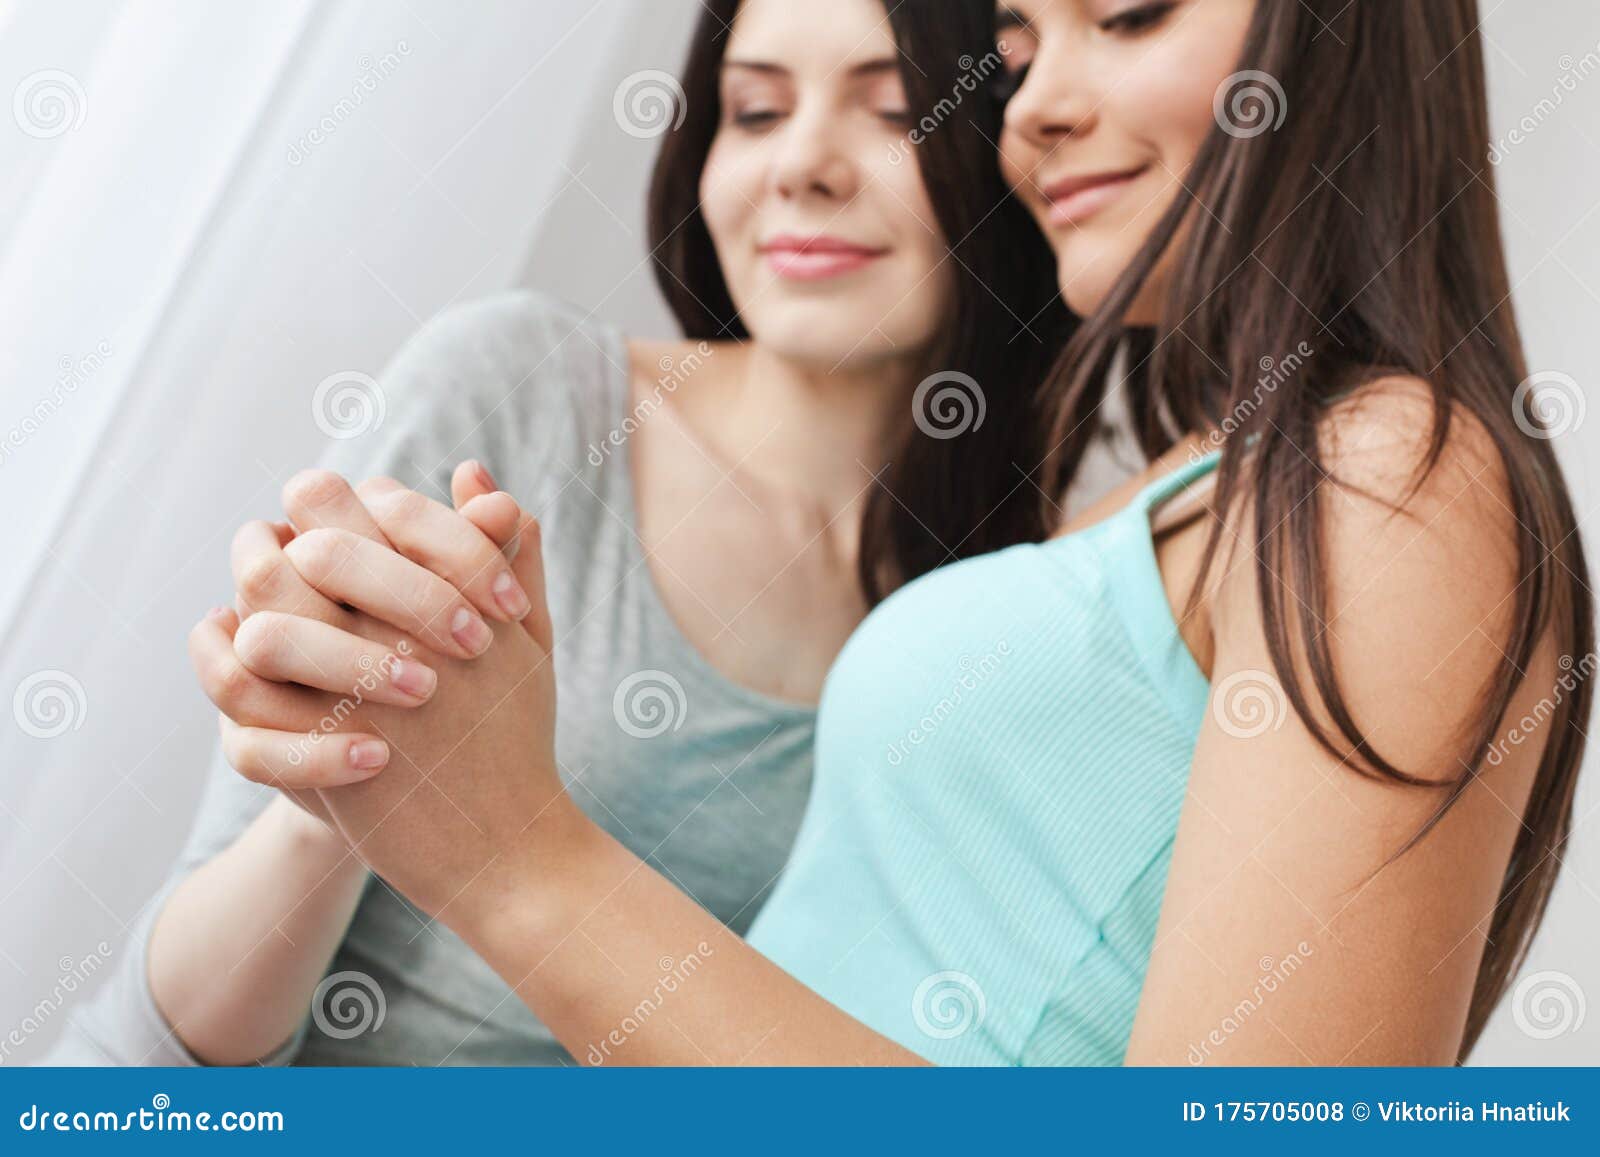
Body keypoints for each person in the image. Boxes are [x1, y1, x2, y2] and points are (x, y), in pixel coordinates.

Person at [172, 0, 1588, 1067]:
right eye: (1022, 45)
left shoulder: (1396, 471)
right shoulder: (1194, 486)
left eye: (1131, 13)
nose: (1032, 108)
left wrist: (510, 854)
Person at [47, 0, 1091, 1067]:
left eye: (896, 110)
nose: (802, 167)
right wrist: (334, 809)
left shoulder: (1022, 602)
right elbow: (156, 1046)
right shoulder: (523, 394)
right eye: (756, 109)